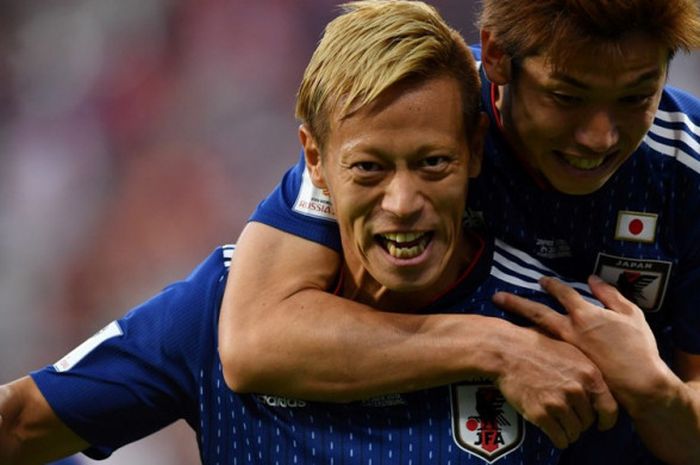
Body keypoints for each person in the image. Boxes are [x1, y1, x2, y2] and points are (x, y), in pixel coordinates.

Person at [0, 2, 618, 464]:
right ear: (315, 162)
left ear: (475, 152)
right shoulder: (217, 306)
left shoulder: (551, 319)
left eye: (432, 164)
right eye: (369, 168)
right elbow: (20, 423)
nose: (403, 203)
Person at [217, 0, 700, 464]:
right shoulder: (416, 104)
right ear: (495, 57)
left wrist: (657, 391)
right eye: (566, 97)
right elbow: (255, 340)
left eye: (636, 97)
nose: (600, 136)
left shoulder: (688, 165)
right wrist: (499, 348)